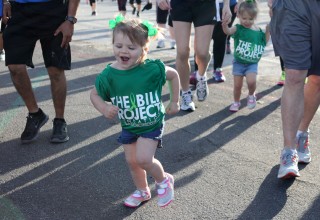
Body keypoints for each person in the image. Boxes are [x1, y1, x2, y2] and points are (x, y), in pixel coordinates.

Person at [90, 15, 180, 207]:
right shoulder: (109, 75)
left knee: (144, 159)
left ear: (144, 49)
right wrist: (104, 107)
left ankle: (163, 180)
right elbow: (94, 94)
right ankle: (142, 191)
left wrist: (174, 100)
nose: (124, 51)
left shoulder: (152, 69)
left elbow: (174, 75)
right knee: (132, 162)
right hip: (129, 125)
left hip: (151, 123)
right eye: (118, 45)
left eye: (131, 48)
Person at [2, 0, 80, 144]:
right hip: (19, 10)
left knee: (55, 69)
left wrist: (70, 19)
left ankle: (59, 120)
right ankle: (35, 114)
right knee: (15, 67)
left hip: (54, 10)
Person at [268, 0, 320, 179]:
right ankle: (289, 151)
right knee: (295, 76)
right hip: (292, 6)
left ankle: (300, 134)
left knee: (317, 79)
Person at [158, 0, 232, 111]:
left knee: (202, 53)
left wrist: (226, 5)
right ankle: (186, 93)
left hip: (206, 5)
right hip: (180, 4)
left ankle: (201, 76)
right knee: (182, 52)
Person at [222, 0, 270, 112]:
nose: (247, 21)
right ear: (238, 15)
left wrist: (268, 31)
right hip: (238, 63)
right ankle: (236, 102)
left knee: (251, 82)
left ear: (255, 18)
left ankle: (251, 94)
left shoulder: (258, 31)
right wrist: (225, 26)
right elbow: (228, 32)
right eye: (244, 18)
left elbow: (264, 41)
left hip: (252, 64)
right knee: (237, 86)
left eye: (250, 19)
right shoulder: (238, 28)